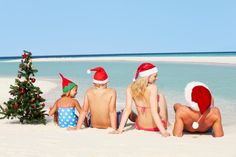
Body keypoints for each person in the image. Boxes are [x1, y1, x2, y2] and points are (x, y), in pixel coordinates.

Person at [112, 63, 170, 137]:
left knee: (126, 109)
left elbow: (127, 109)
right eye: (155, 76)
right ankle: (167, 122)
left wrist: (119, 130)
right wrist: (164, 132)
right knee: (161, 96)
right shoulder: (153, 88)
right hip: (155, 127)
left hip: (140, 125)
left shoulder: (130, 87)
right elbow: (154, 112)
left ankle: (164, 122)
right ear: (148, 76)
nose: (156, 78)